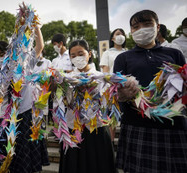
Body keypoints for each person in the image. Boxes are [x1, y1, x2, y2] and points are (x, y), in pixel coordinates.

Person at [114, 10, 187, 173]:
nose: (141, 29)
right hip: (137, 124)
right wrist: (122, 95)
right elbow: (116, 92)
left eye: (147, 24)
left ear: (157, 27)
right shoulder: (123, 58)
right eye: (135, 27)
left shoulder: (174, 54)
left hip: (172, 125)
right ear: (131, 31)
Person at [59, 39, 138, 173]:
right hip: (73, 130)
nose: (77, 58)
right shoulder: (66, 79)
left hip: (97, 130)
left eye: (80, 53)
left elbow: (112, 101)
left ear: (89, 54)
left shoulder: (103, 77)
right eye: (73, 56)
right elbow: (65, 102)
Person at [0, 25, 49, 173]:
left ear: (10, 52)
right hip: (3, 121)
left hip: (24, 118)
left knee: (23, 162)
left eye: (2, 53)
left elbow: (39, 46)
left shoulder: (24, 65)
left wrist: (36, 27)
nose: (0, 58)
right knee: (4, 160)